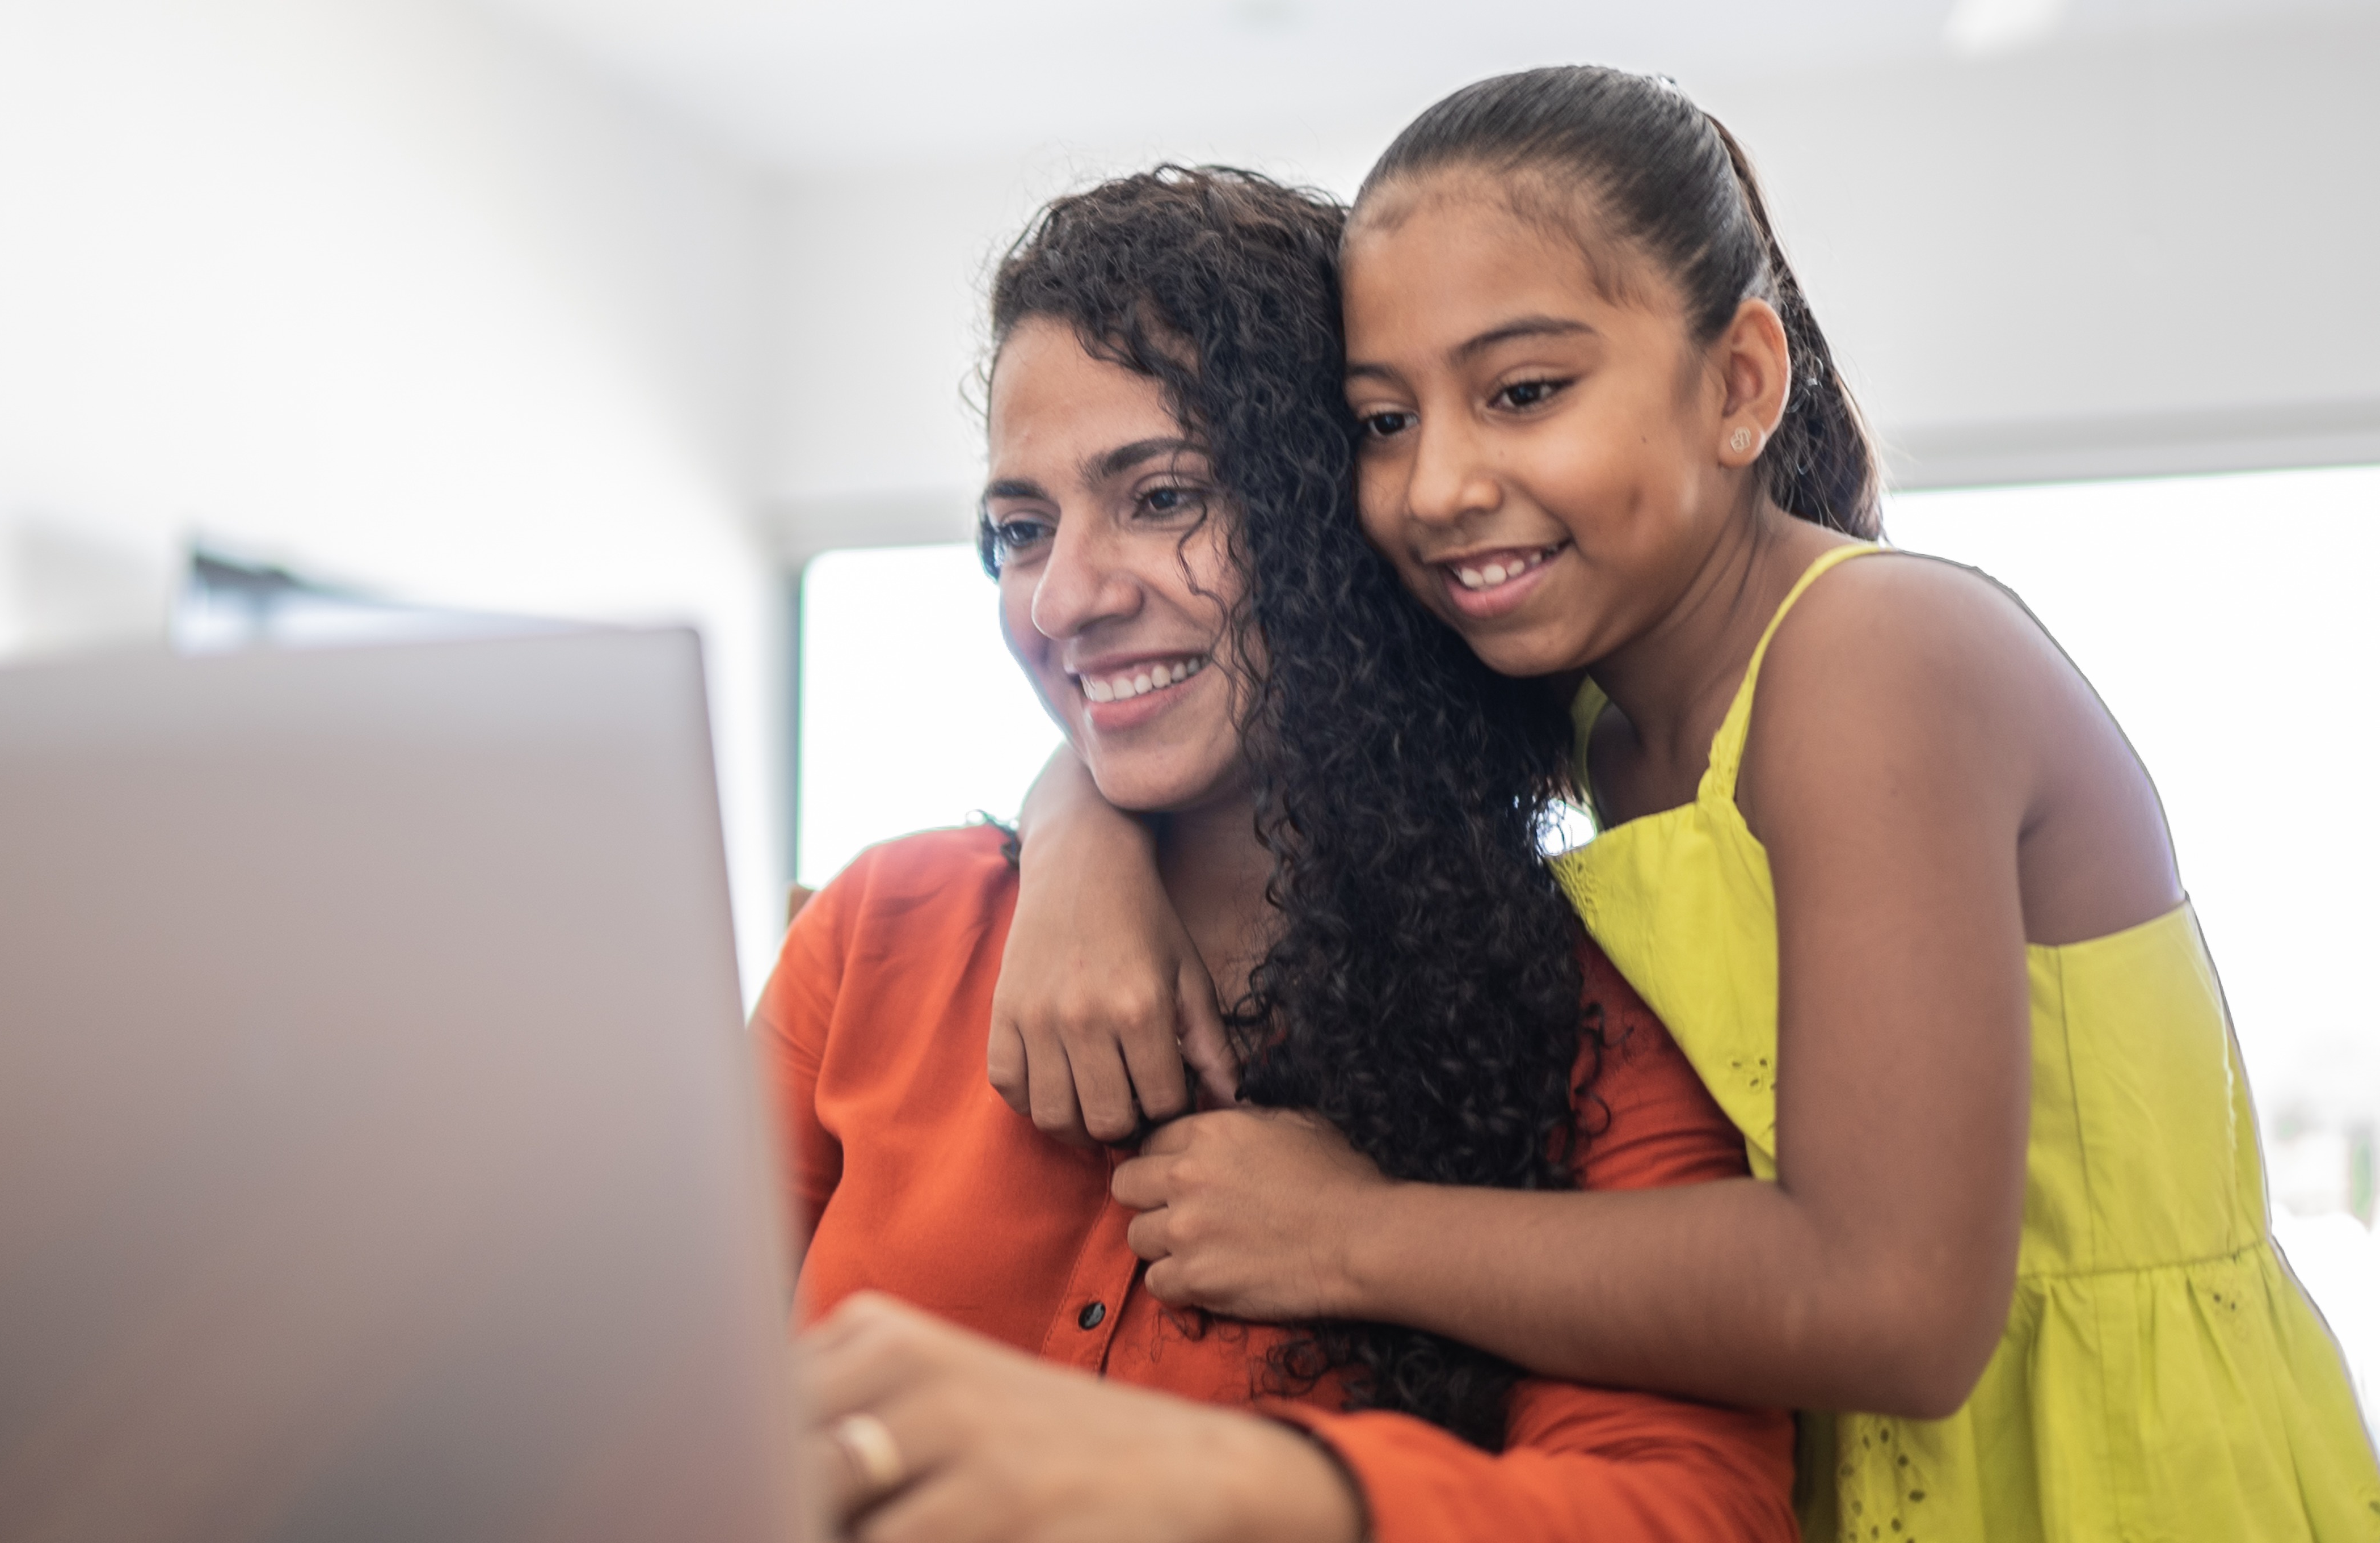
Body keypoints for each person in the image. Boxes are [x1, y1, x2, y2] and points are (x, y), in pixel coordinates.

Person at [990, 68, 2380, 1541]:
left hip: (2102, 1483)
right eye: (1384, 420)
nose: (1439, 486)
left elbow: (1894, 1305)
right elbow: (1229, 721)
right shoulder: (1589, 704)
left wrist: (1349, 1237)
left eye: (1524, 392)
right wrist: (1077, 834)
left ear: (1737, 384)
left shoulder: (1876, 658)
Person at [768, 165, 1795, 1542]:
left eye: (1165, 496)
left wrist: (1230, 1483)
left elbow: (1695, 1510)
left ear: (1347, 511)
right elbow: (630, 1369)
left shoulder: (1587, 1018)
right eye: (1021, 529)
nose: (1068, 596)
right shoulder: (881, 929)